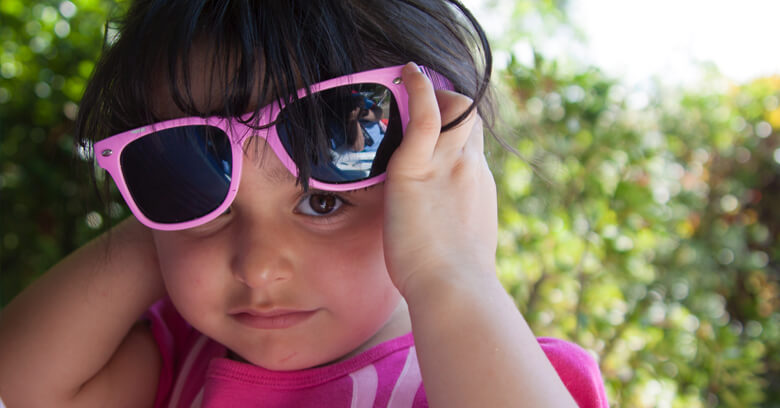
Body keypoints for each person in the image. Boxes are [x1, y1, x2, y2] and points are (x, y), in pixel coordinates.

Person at [0, 1, 609, 407]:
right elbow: (23, 387)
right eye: (205, 205)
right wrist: (167, 204)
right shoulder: (180, 358)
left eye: (323, 203)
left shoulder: (498, 373)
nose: (258, 267)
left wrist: (448, 273)